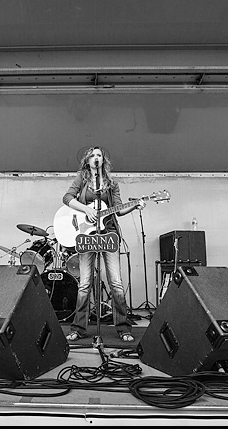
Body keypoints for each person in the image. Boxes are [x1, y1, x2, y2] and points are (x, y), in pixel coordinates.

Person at [62, 146, 145, 343]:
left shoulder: (111, 183)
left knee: (115, 282)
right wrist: (86, 210)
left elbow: (118, 210)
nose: (96, 158)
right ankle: (78, 328)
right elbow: (67, 198)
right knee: (85, 283)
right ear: (87, 160)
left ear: (103, 160)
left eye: (99, 155)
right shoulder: (81, 178)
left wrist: (135, 205)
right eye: (92, 155)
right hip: (87, 235)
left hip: (109, 233)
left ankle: (123, 328)